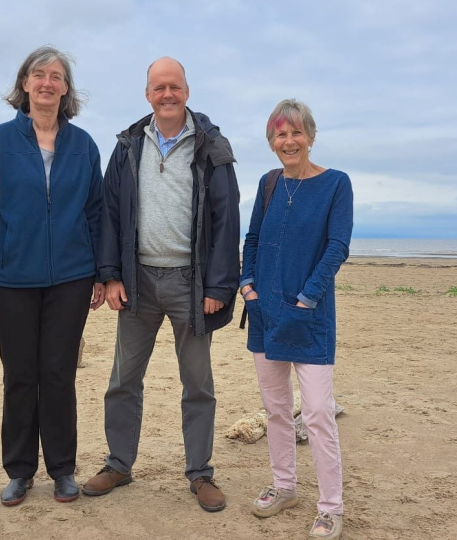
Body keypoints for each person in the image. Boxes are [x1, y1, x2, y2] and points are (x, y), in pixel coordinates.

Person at [82, 57, 240, 512]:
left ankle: (200, 473)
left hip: (192, 284)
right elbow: (110, 213)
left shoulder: (211, 145)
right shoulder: (130, 145)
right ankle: (118, 464)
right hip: (137, 281)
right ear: (147, 94)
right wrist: (109, 275)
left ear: (187, 91)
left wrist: (219, 285)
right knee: (123, 380)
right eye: (158, 87)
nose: (166, 94)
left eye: (174, 86)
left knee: (198, 383)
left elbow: (226, 218)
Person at [0, 46, 104, 506]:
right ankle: (20, 471)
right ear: (24, 84)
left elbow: (95, 212)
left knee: (59, 373)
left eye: (56, 76)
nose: (47, 83)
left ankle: (63, 470)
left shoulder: (84, 144)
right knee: (21, 375)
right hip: (11, 279)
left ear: (66, 89)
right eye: (38, 75)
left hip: (72, 277)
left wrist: (103, 273)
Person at [240, 99, 352, 540]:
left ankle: (330, 507)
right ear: (272, 142)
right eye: (280, 135)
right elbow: (251, 238)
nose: (289, 141)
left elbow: (337, 247)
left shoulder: (336, 184)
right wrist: (247, 285)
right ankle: (284, 486)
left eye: (296, 133)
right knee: (276, 410)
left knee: (320, 412)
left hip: (310, 317)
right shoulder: (268, 183)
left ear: (310, 136)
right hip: (265, 312)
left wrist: (307, 299)